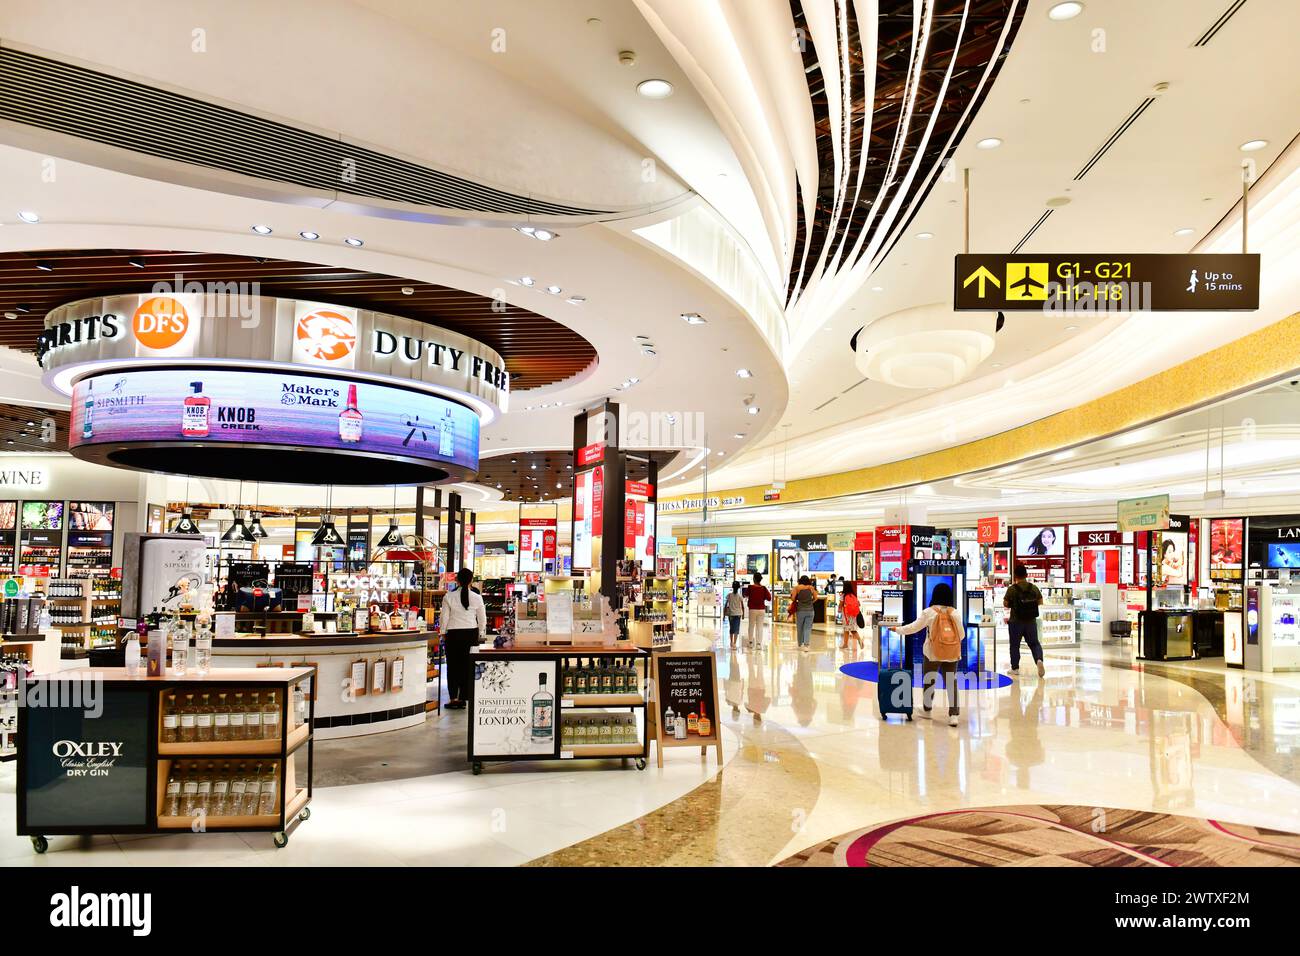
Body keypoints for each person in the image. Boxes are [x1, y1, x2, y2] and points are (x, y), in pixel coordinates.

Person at [894, 581, 963, 726]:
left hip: (932, 653)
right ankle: (954, 715)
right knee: (951, 682)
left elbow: (914, 627)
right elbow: (961, 635)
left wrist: (898, 629)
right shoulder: (955, 612)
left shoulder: (929, 612)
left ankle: (927, 709)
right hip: (952, 653)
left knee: (929, 681)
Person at [439, 566, 486, 709]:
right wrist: (480, 633)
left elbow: (444, 618)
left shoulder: (449, 596)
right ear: (471, 580)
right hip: (471, 634)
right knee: (468, 665)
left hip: (453, 634)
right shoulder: (477, 597)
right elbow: (482, 619)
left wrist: (443, 633)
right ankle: (465, 697)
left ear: (457, 580)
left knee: (453, 666)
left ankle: (453, 698)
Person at [1003, 562, 1045, 677]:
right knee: (1034, 643)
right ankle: (1039, 660)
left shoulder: (1012, 589)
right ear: (1026, 575)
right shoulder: (1033, 587)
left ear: (1015, 576)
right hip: (1031, 621)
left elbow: (1006, 604)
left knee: (1015, 645)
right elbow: (1040, 602)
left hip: (1016, 621)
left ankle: (1015, 668)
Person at [789, 574, 817, 652]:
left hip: (800, 610)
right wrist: (810, 602)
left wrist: (797, 600)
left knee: (800, 627)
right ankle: (806, 645)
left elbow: (793, 598)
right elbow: (816, 598)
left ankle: (800, 644)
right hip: (810, 611)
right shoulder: (811, 588)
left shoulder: (797, 588)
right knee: (807, 628)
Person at [745, 572, 771, 647]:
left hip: (752, 609)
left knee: (751, 626)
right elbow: (769, 598)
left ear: (754, 579)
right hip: (761, 609)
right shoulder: (763, 588)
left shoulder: (750, 587)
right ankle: (759, 644)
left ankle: (750, 642)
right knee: (760, 627)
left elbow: (745, 595)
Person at [840, 582, 864, 651]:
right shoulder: (853, 595)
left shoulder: (843, 595)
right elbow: (858, 604)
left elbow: (840, 604)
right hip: (853, 615)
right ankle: (845, 644)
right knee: (851, 629)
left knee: (847, 629)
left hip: (846, 615)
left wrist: (839, 610)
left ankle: (859, 640)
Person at [725, 580, 745, 648]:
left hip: (731, 614)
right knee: (736, 629)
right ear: (738, 588)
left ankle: (731, 642)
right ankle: (734, 643)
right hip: (738, 614)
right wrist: (743, 615)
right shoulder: (740, 596)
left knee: (731, 628)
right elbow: (742, 606)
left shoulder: (729, 595)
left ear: (732, 587)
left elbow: (726, 605)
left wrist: (724, 614)